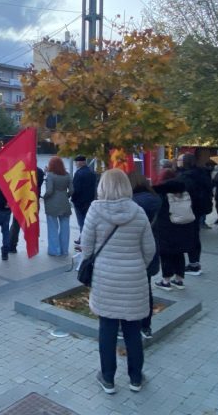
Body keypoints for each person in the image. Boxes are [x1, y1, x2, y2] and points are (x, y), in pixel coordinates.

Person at [81, 169, 155, 394]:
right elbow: (149, 250)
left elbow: (86, 247)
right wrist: (135, 265)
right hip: (134, 278)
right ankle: (135, 378)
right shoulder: (139, 212)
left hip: (105, 278)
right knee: (133, 330)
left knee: (107, 328)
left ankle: (108, 378)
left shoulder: (95, 210)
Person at [129, 171, 161, 339]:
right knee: (146, 289)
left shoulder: (133, 204)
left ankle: (128, 324)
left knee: (129, 291)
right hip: (152, 248)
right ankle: (146, 326)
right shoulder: (157, 200)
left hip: (133, 252)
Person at [152, 176, 194, 291]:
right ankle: (179, 280)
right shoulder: (185, 195)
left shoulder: (164, 196)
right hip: (183, 228)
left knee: (166, 255)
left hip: (167, 230)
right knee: (179, 254)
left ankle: (166, 281)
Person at [176, 153, 212, 275]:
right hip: (199, 209)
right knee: (194, 235)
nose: (177, 161)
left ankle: (192, 265)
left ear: (185, 162)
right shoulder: (202, 173)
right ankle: (195, 263)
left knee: (187, 237)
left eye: (180, 160)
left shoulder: (186, 176)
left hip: (188, 209)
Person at [9, 166, 44, 254]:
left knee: (16, 224)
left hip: (21, 200)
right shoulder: (39, 171)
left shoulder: (20, 171)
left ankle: (12, 246)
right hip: (33, 201)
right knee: (32, 224)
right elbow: (39, 184)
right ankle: (32, 246)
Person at [43, 156, 72, 257]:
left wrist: (44, 197)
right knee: (65, 228)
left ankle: (55, 250)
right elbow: (72, 190)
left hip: (52, 204)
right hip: (65, 203)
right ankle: (64, 250)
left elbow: (49, 191)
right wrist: (65, 196)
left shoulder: (50, 175)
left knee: (53, 228)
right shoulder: (67, 175)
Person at [71, 155, 97, 241]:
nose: (75, 164)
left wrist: (73, 199)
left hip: (79, 202)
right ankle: (85, 238)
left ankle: (83, 239)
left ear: (81, 162)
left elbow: (76, 188)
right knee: (87, 221)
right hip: (89, 200)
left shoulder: (78, 173)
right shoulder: (91, 172)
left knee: (81, 222)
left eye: (76, 162)